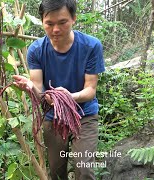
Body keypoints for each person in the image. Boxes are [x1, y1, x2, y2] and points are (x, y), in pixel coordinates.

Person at [12, 0, 105, 179]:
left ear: (74, 19)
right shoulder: (36, 50)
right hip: (53, 116)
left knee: (84, 168)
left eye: (62, 22)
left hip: (83, 114)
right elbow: (39, 90)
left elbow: (90, 90)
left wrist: (68, 97)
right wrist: (30, 88)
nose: (56, 29)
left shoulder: (91, 46)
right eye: (49, 23)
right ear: (42, 22)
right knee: (56, 171)